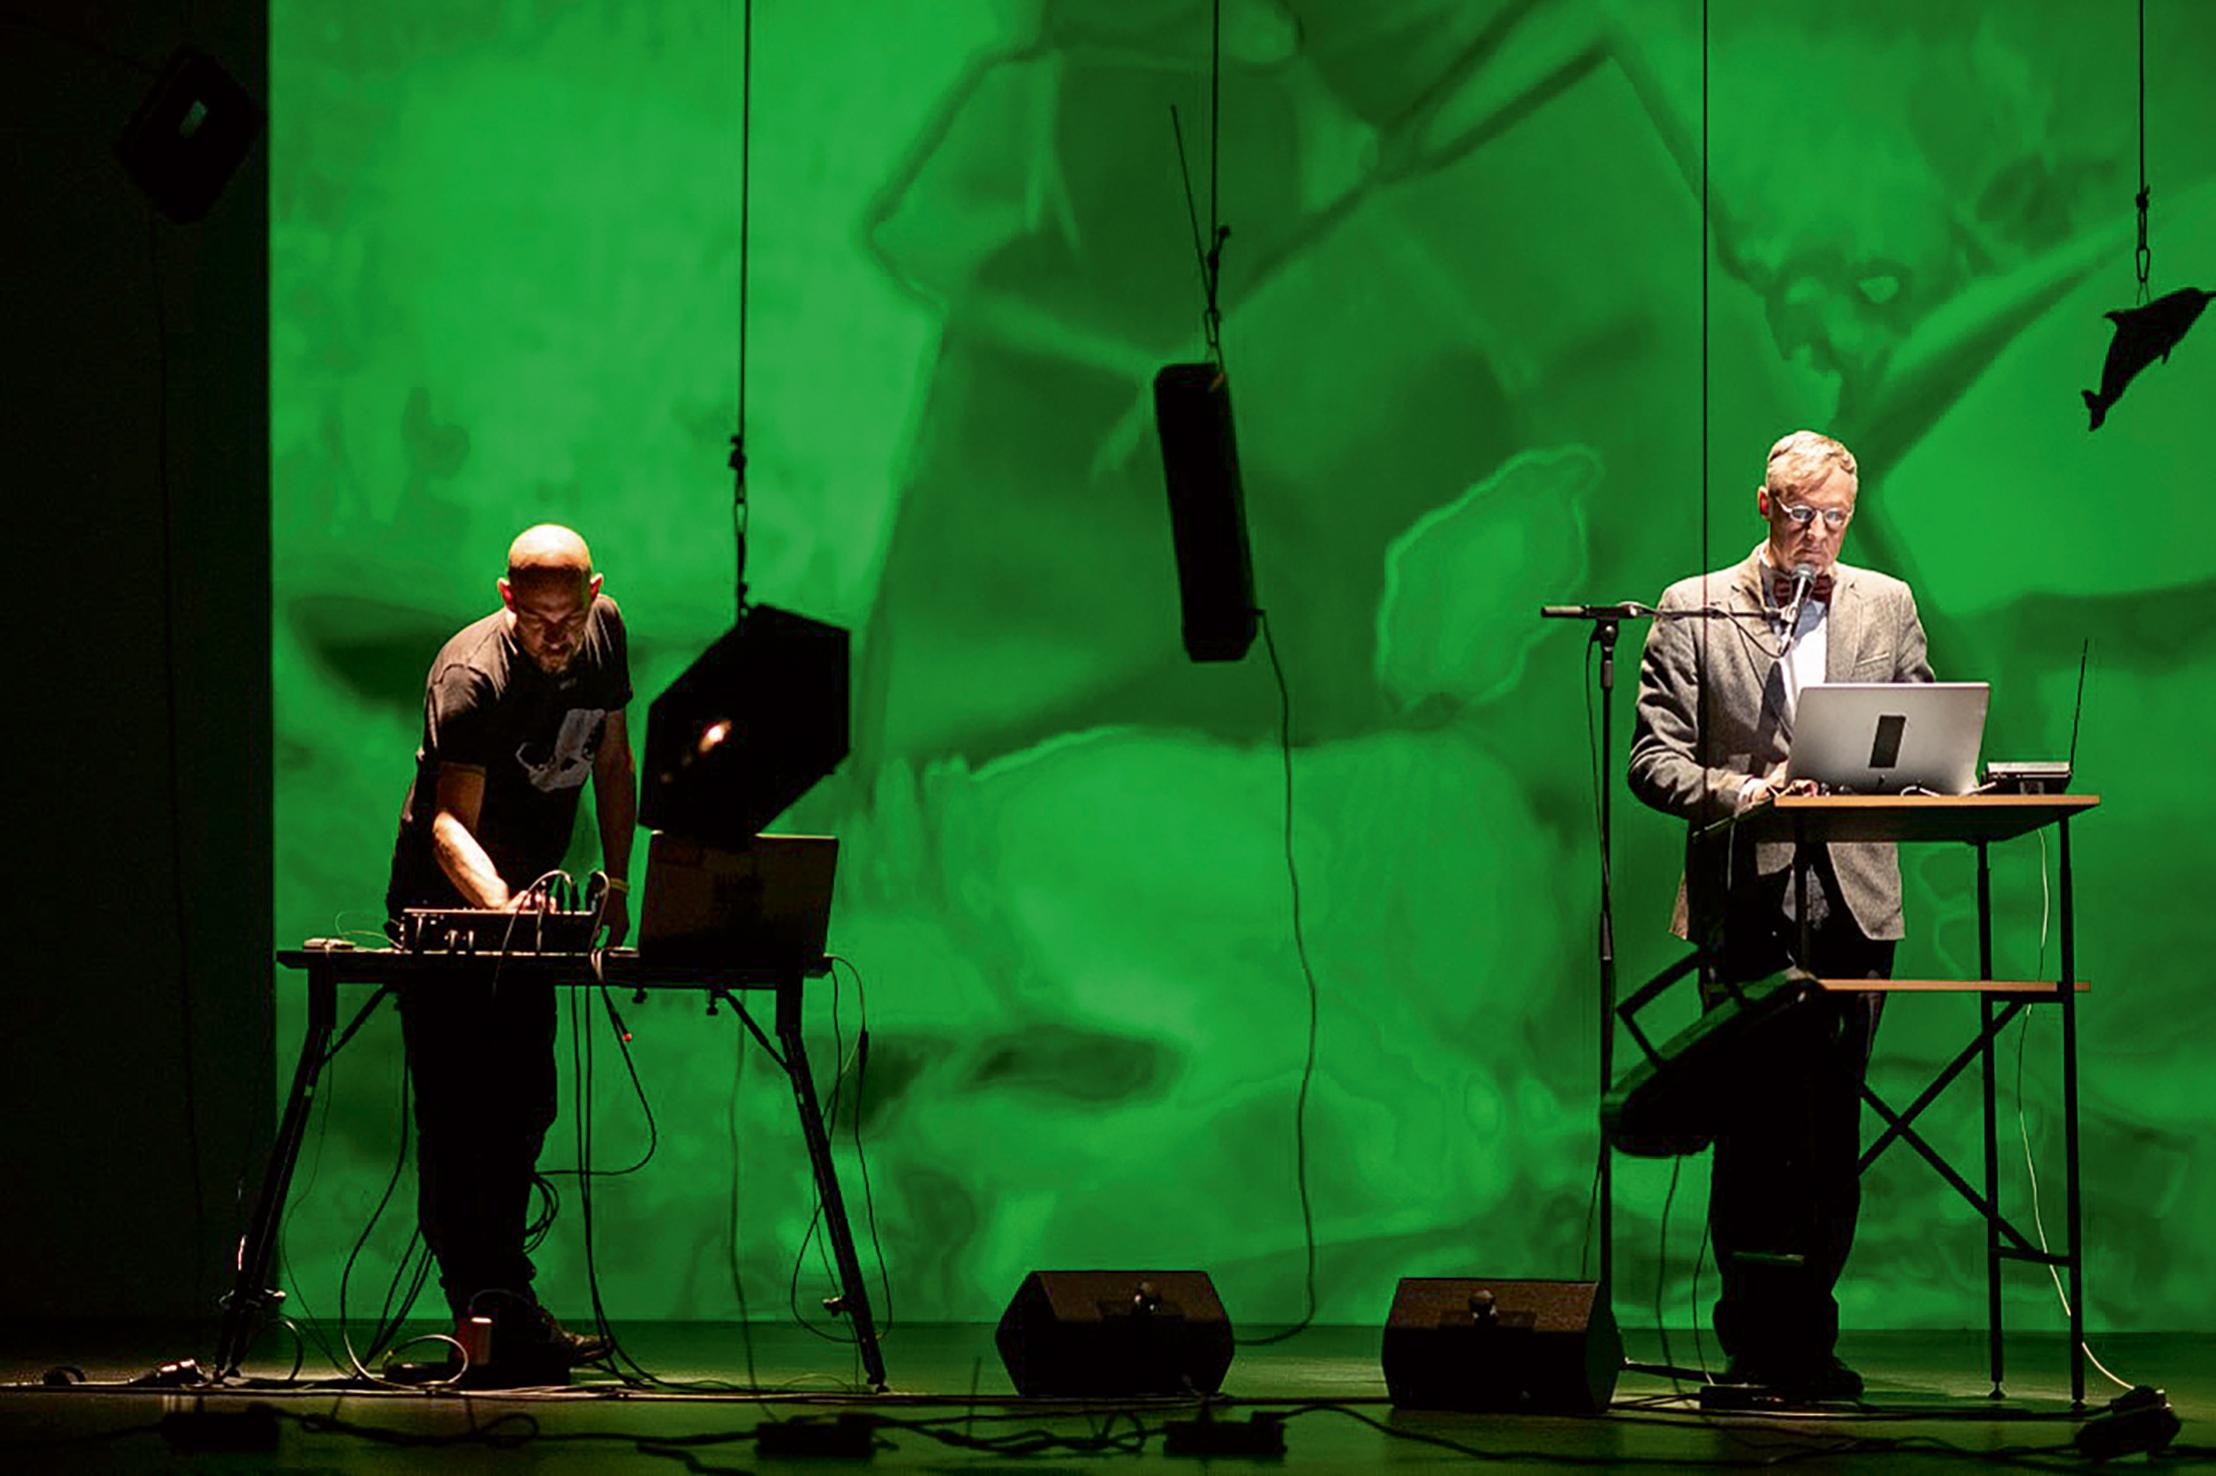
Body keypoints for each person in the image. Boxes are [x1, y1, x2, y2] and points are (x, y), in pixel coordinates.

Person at [1627, 430, 1933, 1402]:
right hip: (1749, 900)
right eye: (1799, 513)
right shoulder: (1695, 606)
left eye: (1834, 517)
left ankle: (1809, 1337)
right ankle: (1753, 1344)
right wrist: (1745, 791)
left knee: (1832, 1128)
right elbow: (1653, 763)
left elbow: (1920, 721)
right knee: (1756, 1130)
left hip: (1854, 899)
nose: (1817, 535)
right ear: (1763, 504)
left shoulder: (1882, 601)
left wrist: (1926, 781)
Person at [383, 523, 636, 1384]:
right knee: (461, 1123)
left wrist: (622, 880)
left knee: (526, 1106)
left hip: (526, 916)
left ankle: (509, 1310)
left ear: (596, 592)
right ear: (506, 599)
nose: (557, 637)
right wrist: (504, 916)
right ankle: (480, 1328)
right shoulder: (471, 674)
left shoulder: (605, 636)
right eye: (537, 620)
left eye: (571, 616)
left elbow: (612, 761)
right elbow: (450, 823)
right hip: (454, 910)